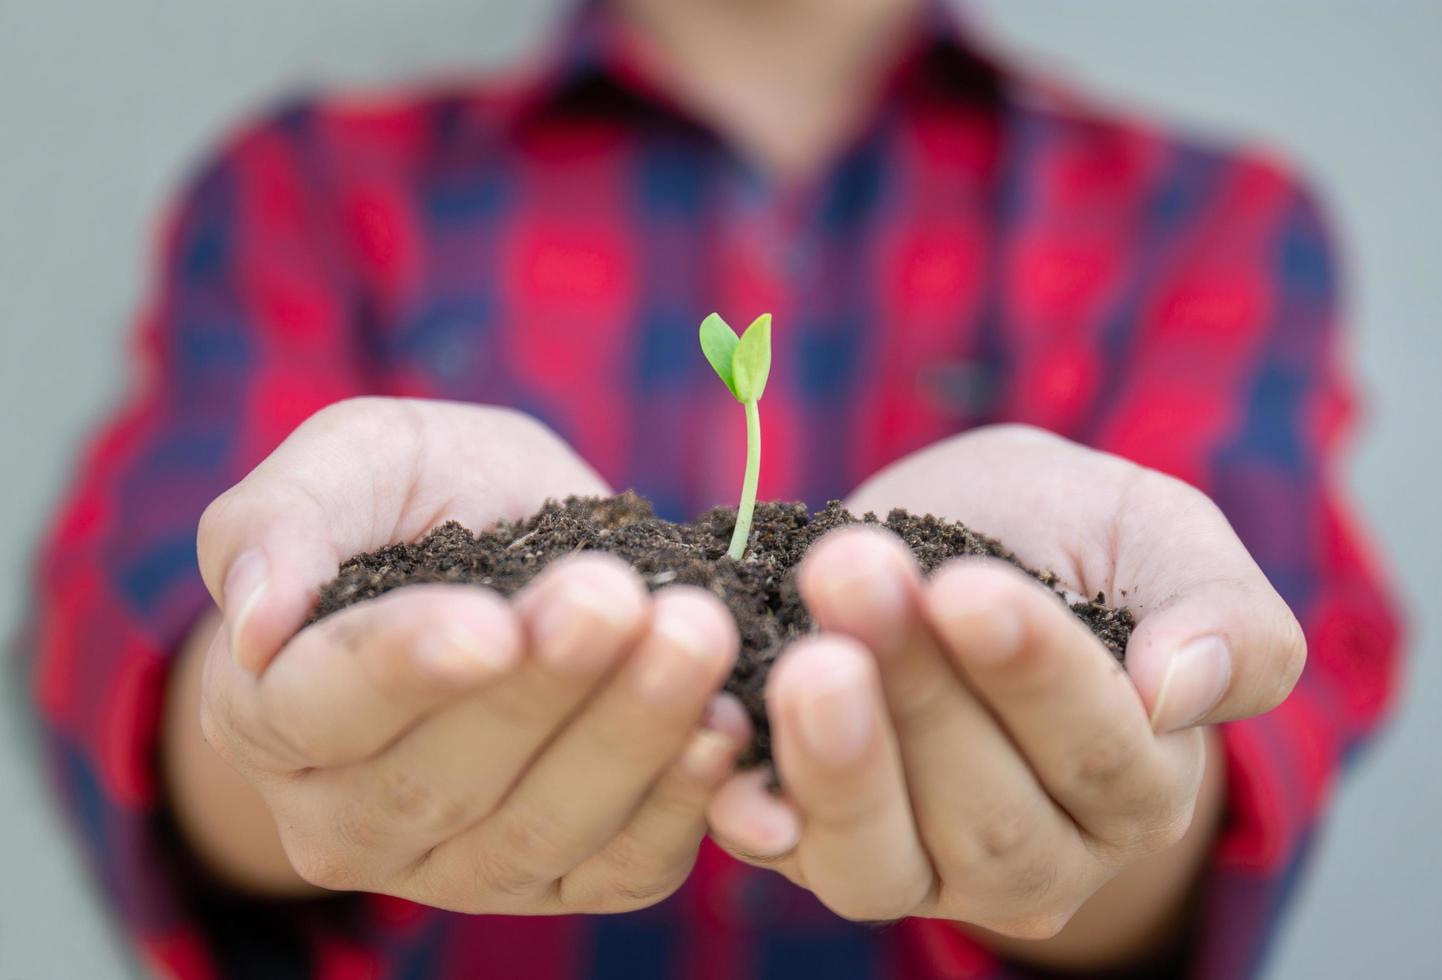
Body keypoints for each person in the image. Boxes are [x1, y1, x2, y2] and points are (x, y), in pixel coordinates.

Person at [24, 0, 1402, 977]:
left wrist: (1105, 775)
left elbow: (1231, 727)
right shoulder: (311, 186)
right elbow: (128, 609)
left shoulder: (1210, 219)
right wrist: (279, 709)